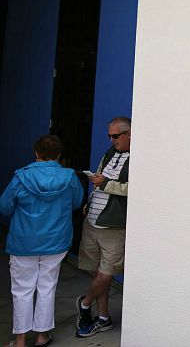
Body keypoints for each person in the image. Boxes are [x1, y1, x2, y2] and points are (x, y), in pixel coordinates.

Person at [0, 134, 84, 347]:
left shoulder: (21, 177)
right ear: (59, 155)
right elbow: (76, 203)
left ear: (36, 153)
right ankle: (41, 336)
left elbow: (5, 207)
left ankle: (20, 340)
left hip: (23, 242)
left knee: (22, 290)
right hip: (56, 241)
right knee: (47, 287)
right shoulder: (69, 177)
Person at [75, 117, 131, 338]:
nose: (111, 139)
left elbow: (136, 188)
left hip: (113, 226)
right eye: (109, 135)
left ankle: (86, 304)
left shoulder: (141, 156)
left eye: (115, 136)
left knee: (106, 273)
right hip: (92, 221)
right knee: (95, 271)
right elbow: (99, 180)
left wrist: (106, 184)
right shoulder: (109, 153)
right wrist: (90, 201)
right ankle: (103, 318)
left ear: (130, 133)